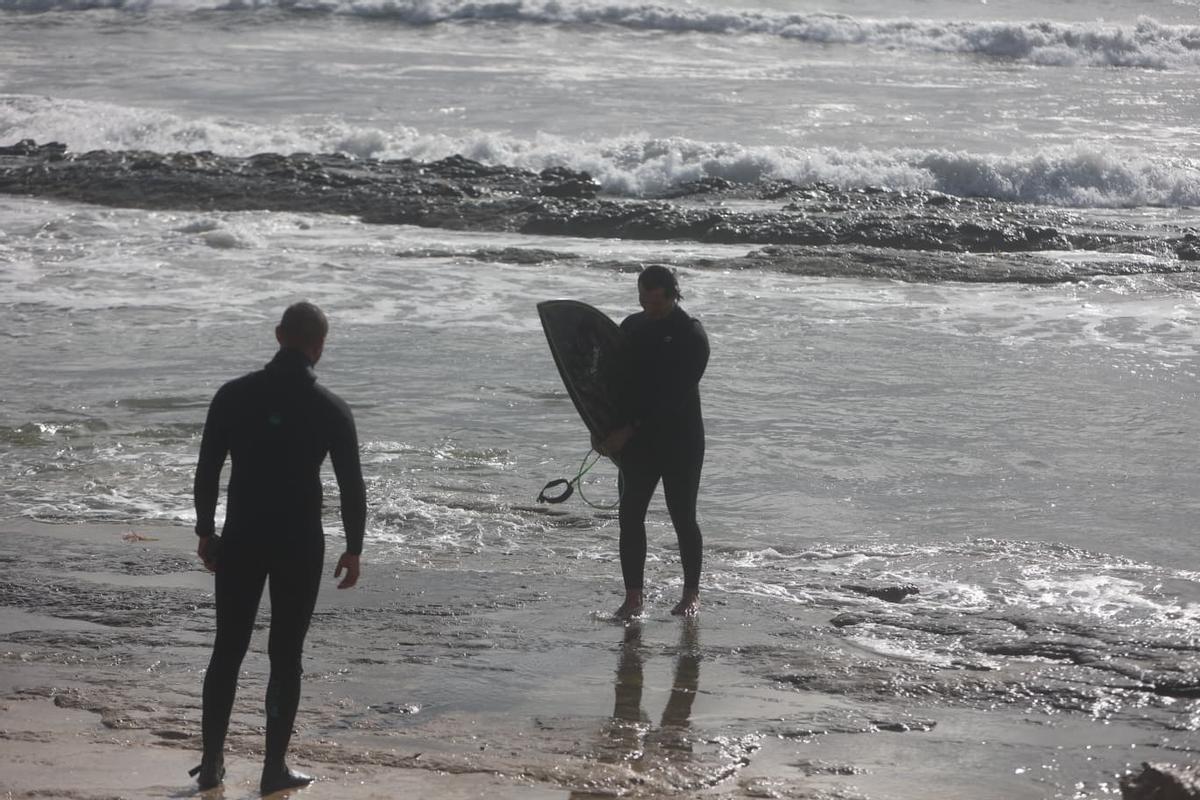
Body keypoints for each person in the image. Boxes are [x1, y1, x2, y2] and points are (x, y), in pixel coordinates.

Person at [190, 301, 367, 794]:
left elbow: (207, 470)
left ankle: (210, 765)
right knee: (286, 655)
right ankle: (272, 769)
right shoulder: (330, 408)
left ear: (277, 335)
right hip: (298, 541)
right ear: (319, 346)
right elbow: (352, 486)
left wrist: (206, 529)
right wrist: (354, 547)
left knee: (227, 650)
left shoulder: (232, 396)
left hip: (242, 534)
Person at [597, 266, 709, 619]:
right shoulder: (631, 327)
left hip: (680, 441)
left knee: (682, 517)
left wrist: (627, 431)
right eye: (644, 300)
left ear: (674, 295)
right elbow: (612, 382)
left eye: (657, 302)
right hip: (638, 444)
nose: (650, 308)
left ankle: (691, 594)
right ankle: (633, 598)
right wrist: (600, 427)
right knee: (630, 517)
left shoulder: (691, 336)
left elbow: (671, 399)